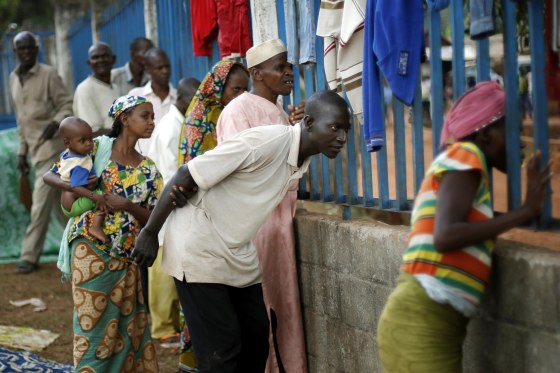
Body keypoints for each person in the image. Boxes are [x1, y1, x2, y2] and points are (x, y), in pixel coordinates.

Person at [132, 90, 351, 373]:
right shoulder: (266, 142)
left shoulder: (300, 159)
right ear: (308, 122)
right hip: (199, 245)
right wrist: (150, 232)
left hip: (237, 250)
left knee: (256, 341)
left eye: (345, 130)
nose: (342, 138)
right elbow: (187, 173)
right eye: (334, 128)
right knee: (221, 351)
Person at [376, 82, 551, 372]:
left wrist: (526, 211)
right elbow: (445, 236)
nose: (520, 141)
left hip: (429, 325)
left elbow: (471, 225)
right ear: (485, 134)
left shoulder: (467, 171)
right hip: (420, 323)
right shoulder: (465, 155)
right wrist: (525, 212)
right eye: (512, 131)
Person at [43, 95, 162, 372]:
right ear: (124, 119)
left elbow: (154, 218)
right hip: (90, 250)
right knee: (93, 330)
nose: (151, 122)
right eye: (145, 116)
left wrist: (128, 205)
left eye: (153, 116)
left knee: (125, 331)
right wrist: (77, 187)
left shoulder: (149, 169)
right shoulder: (94, 147)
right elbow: (51, 175)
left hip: (127, 258)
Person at [216, 38, 307, 373]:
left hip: (282, 223)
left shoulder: (280, 113)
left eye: (287, 65)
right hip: (257, 225)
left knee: (284, 305)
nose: (288, 71)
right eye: (279, 66)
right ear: (257, 72)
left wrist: (297, 133)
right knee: (262, 308)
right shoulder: (238, 110)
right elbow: (238, 168)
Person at [173, 60, 249, 372]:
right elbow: (192, 176)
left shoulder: (237, 114)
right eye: (235, 89)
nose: (241, 96)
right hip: (201, 225)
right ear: (218, 89)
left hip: (230, 223)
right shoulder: (198, 122)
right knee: (209, 320)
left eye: (246, 89)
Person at [143, 77, 199, 350]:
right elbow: (168, 172)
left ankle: (171, 322)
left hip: (175, 202)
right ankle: (162, 326)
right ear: (185, 100)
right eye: (196, 100)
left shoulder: (181, 123)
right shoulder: (170, 127)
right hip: (166, 203)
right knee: (162, 268)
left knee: (172, 262)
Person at [9, 31, 73, 274]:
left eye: (30, 48)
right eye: (21, 49)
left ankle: (29, 255)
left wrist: (56, 121)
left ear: (36, 49)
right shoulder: (14, 78)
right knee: (60, 207)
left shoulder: (48, 74)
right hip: (33, 149)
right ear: (16, 52)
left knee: (39, 204)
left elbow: (66, 104)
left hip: (52, 147)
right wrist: (21, 153)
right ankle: (83, 244)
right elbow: (21, 120)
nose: (26, 52)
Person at [58, 117, 107, 243]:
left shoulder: (67, 154)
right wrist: (95, 197)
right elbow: (76, 187)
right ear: (67, 143)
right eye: (82, 141)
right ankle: (95, 227)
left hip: (66, 202)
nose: (89, 143)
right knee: (103, 197)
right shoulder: (79, 164)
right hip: (74, 205)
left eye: (90, 138)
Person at [128, 47, 176, 156]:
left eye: (167, 66)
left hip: (171, 166)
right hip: (141, 164)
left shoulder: (178, 99)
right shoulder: (135, 96)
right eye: (159, 68)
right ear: (147, 70)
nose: (165, 71)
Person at [73, 42, 120, 135]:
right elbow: (93, 131)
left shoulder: (116, 87)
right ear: (89, 63)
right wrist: (125, 134)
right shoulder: (84, 89)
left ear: (113, 59)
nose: (101, 60)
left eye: (105, 56)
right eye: (95, 57)